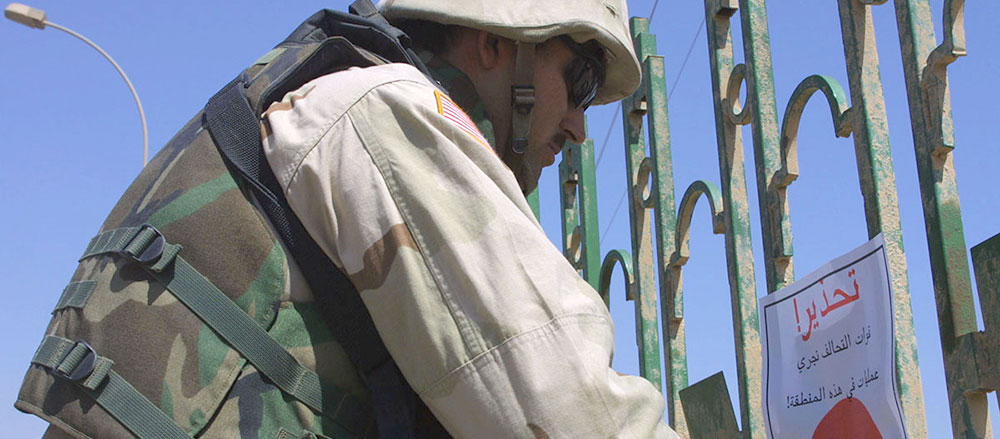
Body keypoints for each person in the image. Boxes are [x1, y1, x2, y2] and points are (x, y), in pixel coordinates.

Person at [16, 1, 676, 437]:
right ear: (497, 43)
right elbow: (573, 416)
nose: (580, 126)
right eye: (581, 80)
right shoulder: (387, 111)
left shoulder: (309, 95)